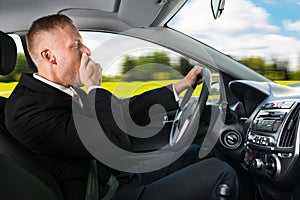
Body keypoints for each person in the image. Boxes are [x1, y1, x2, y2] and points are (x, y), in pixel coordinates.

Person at [5, 14, 238, 200]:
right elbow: (111, 142)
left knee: (193, 153)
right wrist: (95, 88)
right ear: (50, 56)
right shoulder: (27, 110)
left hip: (113, 178)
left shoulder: (59, 90)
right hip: (103, 194)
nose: (87, 51)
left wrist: (181, 85)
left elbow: (121, 111)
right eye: (76, 46)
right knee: (220, 172)